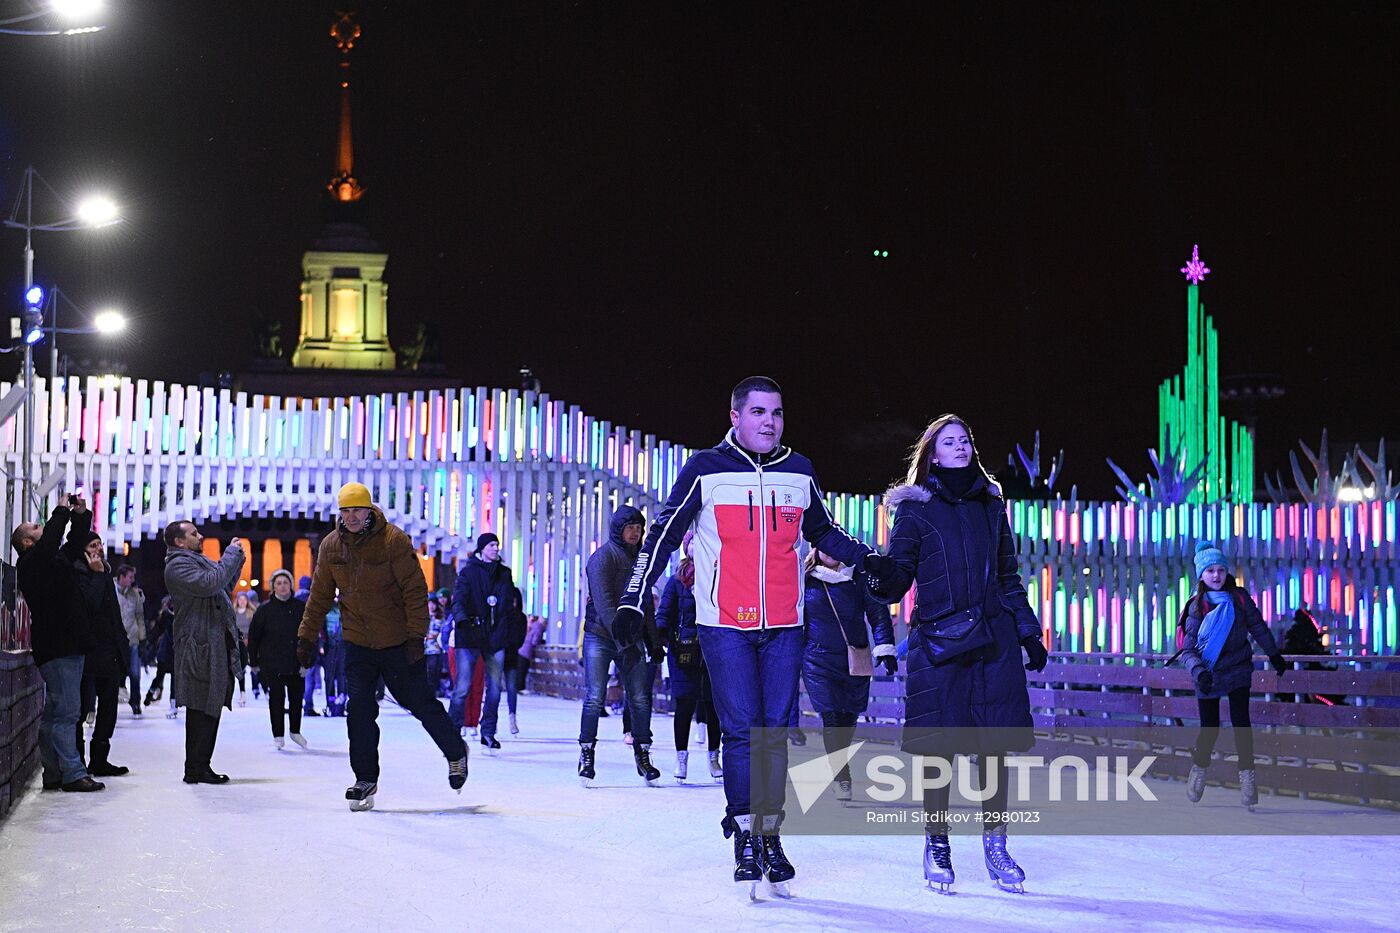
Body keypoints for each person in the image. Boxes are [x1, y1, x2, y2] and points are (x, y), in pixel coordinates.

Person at [612, 376, 882, 896]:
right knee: (741, 731)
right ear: (735, 416)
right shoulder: (706, 469)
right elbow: (664, 534)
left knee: (773, 733)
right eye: (758, 412)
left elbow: (824, 532)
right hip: (724, 625)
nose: (769, 422)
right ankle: (743, 831)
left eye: (776, 413)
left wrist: (869, 560)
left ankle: (770, 835)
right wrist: (632, 596)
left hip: (784, 625)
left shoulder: (799, 471)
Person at [876, 414, 1048, 894]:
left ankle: (996, 845)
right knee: (939, 749)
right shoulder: (915, 510)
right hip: (939, 645)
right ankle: (937, 843)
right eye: (949, 441)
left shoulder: (991, 506)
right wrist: (875, 574)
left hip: (993, 642)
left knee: (994, 750)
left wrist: (1028, 631)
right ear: (932, 454)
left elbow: (1008, 577)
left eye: (965, 440)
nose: (960, 447)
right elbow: (898, 576)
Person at [297, 482, 469, 811]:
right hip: (358, 642)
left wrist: (416, 637)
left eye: (357, 511)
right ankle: (365, 778)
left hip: (397, 641)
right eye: (345, 511)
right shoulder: (332, 546)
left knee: (418, 702)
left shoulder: (393, 540)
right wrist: (306, 636)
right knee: (359, 710)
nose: (351, 517)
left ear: (369, 511)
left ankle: (455, 751)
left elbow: (414, 591)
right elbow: (319, 595)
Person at [1178, 541, 1287, 810]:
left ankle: (1248, 779)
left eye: (1220, 570)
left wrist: (1273, 654)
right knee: (1210, 728)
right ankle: (1199, 769)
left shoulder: (1239, 599)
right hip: (1208, 672)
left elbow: (1258, 627)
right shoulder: (1197, 606)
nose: (1216, 575)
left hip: (1238, 668)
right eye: (1210, 571)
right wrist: (1199, 672)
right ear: (1201, 575)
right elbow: (1187, 650)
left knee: (1241, 725)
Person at [12, 494, 104, 792]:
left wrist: (80, 515)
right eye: (35, 528)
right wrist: (61, 511)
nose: (42, 527)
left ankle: (53, 771)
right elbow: (52, 540)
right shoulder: (31, 563)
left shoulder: (49, 561)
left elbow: (73, 545)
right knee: (67, 713)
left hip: (62, 644)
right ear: (27, 542)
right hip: (60, 645)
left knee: (55, 714)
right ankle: (73, 774)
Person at [801, 548, 895, 800]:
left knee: (847, 718)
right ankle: (841, 776)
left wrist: (885, 646)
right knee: (831, 716)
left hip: (854, 659)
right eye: (825, 546)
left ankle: (839, 765)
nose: (831, 552)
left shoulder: (858, 577)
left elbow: (877, 612)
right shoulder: (804, 578)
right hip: (817, 660)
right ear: (816, 549)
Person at [577, 507, 661, 786]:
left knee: (640, 698)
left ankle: (643, 754)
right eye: (630, 527)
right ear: (618, 529)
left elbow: (645, 603)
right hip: (600, 635)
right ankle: (587, 753)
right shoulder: (602, 558)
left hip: (631, 637)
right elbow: (605, 605)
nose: (635, 532)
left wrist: (653, 641)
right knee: (595, 696)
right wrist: (624, 642)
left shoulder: (641, 561)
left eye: (639, 527)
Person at [163, 520, 245, 785]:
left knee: (211, 704)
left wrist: (236, 560)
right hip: (198, 646)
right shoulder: (177, 566)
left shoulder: (196, 562)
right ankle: (195, 768)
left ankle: (200, 766)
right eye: (194, 534)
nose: (200, 536)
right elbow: (211, 583)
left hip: (212, 643)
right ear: (179, 541)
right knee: (200, 706)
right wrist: (230, 555)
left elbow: (222, 586)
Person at [655, 532, 722, 782]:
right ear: (686, 547)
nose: (695, 546)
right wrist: (662, 639)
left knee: (714, 705)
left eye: (698, 541)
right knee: (684, 704)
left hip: (712, 651)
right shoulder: (676, 581)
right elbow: (665, 613)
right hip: (683, 652)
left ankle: (714, 757)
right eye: (691, 542)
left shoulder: (718, 574)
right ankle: (681, 757)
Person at [449, 532, 522, 753]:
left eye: (497, 545)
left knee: (495, 689)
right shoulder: (468, 572)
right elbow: (458, 601)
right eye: (491, 545)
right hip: (470, 636)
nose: (496, 548)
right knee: (462, 687)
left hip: (495, 637)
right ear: (482, 548)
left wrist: (510, 635)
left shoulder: (504, 574)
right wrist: (463, 621)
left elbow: (508, 608)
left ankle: (488, 732)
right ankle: (452, 733)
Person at [71, 531, 134, 777]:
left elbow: (113, 614)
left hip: (110, 652)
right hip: (87, 653)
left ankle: (100, 759)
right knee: (81, 709)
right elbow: (89, 605)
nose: (98, 549)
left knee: (109, 710)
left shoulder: (105, 571)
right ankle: (78, 762)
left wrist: (122, 644)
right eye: (92, 545)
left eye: (100, 544)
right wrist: (97, 574)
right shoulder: (78, 572)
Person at [247, 568, 309, 750]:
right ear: (273, 586)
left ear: (291, 585)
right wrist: (254, 662)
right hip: (272, 663)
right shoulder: (264, 610)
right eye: (279, 583)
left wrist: (307, 661)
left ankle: (295, 731)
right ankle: (278, 734)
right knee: (276, 700)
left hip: (296, 662)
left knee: (296, 700)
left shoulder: (300, 608)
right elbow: (254, 637)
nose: (282, 586)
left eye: (286, 583)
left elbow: (309, 637)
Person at [114, 564, 146, 717]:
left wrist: (142, 638)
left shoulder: (135, 595)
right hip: (115, 641)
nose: (133, 580)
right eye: (130, 577)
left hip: (132, 639)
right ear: (121, 576)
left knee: (135, 673)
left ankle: (135, 702)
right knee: (114, 674)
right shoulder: (111, 591)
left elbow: (140, 617)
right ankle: (111, 702)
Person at [144, 595, 178, 718]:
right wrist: (149, 643)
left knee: (172, 679)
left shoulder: (179, 614)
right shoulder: (167, 614)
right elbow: (158, 630)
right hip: (166, 651)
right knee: (161, 677)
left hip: (173, 651)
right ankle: (150, 695)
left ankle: (173, 704)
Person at [233, 590, 257, 706]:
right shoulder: (233, 613)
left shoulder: (251, 613)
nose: (242, 601)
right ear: (237, 601)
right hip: (238, 645)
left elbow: (255, 629)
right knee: (240, 669)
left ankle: (262, 689)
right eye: (240, 599)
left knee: (255, 668)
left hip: (250, 644)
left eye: (244, 599)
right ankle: (242, 694)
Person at [424, 598, 449, 697]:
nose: (431, 606)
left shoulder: (441, 618)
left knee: (434, 669)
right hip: (424, 647)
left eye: (433, 604)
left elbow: (443, 631)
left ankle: (435, 690)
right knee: (427, 671)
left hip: (435, 648)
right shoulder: (424, 617)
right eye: (429, 604)